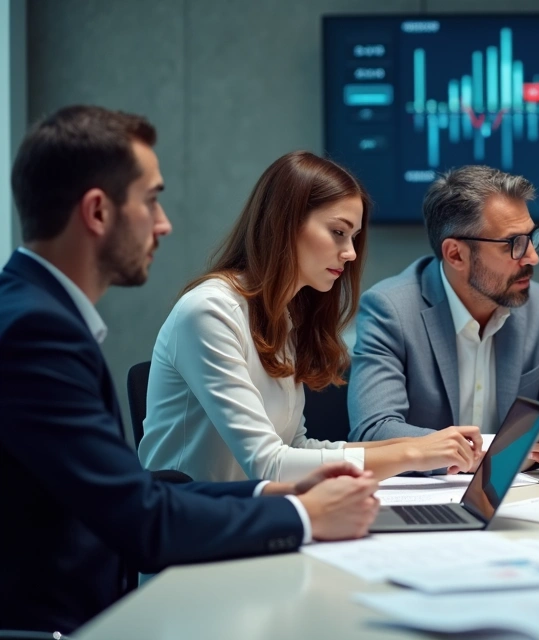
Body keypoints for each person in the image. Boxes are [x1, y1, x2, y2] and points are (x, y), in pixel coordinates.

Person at [0, 106, 380, 634]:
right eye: (151, 200)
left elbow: (142, 488)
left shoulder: (37, 313)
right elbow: (139, 518)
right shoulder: (36, 331)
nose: (164, 223)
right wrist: (304, 516)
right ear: (97, 212)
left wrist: (275, 494)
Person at [139, 151, 482, 483]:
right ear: (284, 224)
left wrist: (421, 446)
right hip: (189, 525)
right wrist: (413, 455)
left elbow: (295, 449)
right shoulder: (210, 311)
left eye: (354, 237)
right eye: (338, 232)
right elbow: (269, 463)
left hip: (251, 514)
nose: (349, 253)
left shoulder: (284, 315)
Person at [348, 165, 539, 472]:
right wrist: (467, 455)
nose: (532, 257)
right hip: (427, 500)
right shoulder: (391, 309)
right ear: (456, 255)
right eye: (514, 244)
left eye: (532, 238)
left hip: (521, 496)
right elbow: (373, 431)